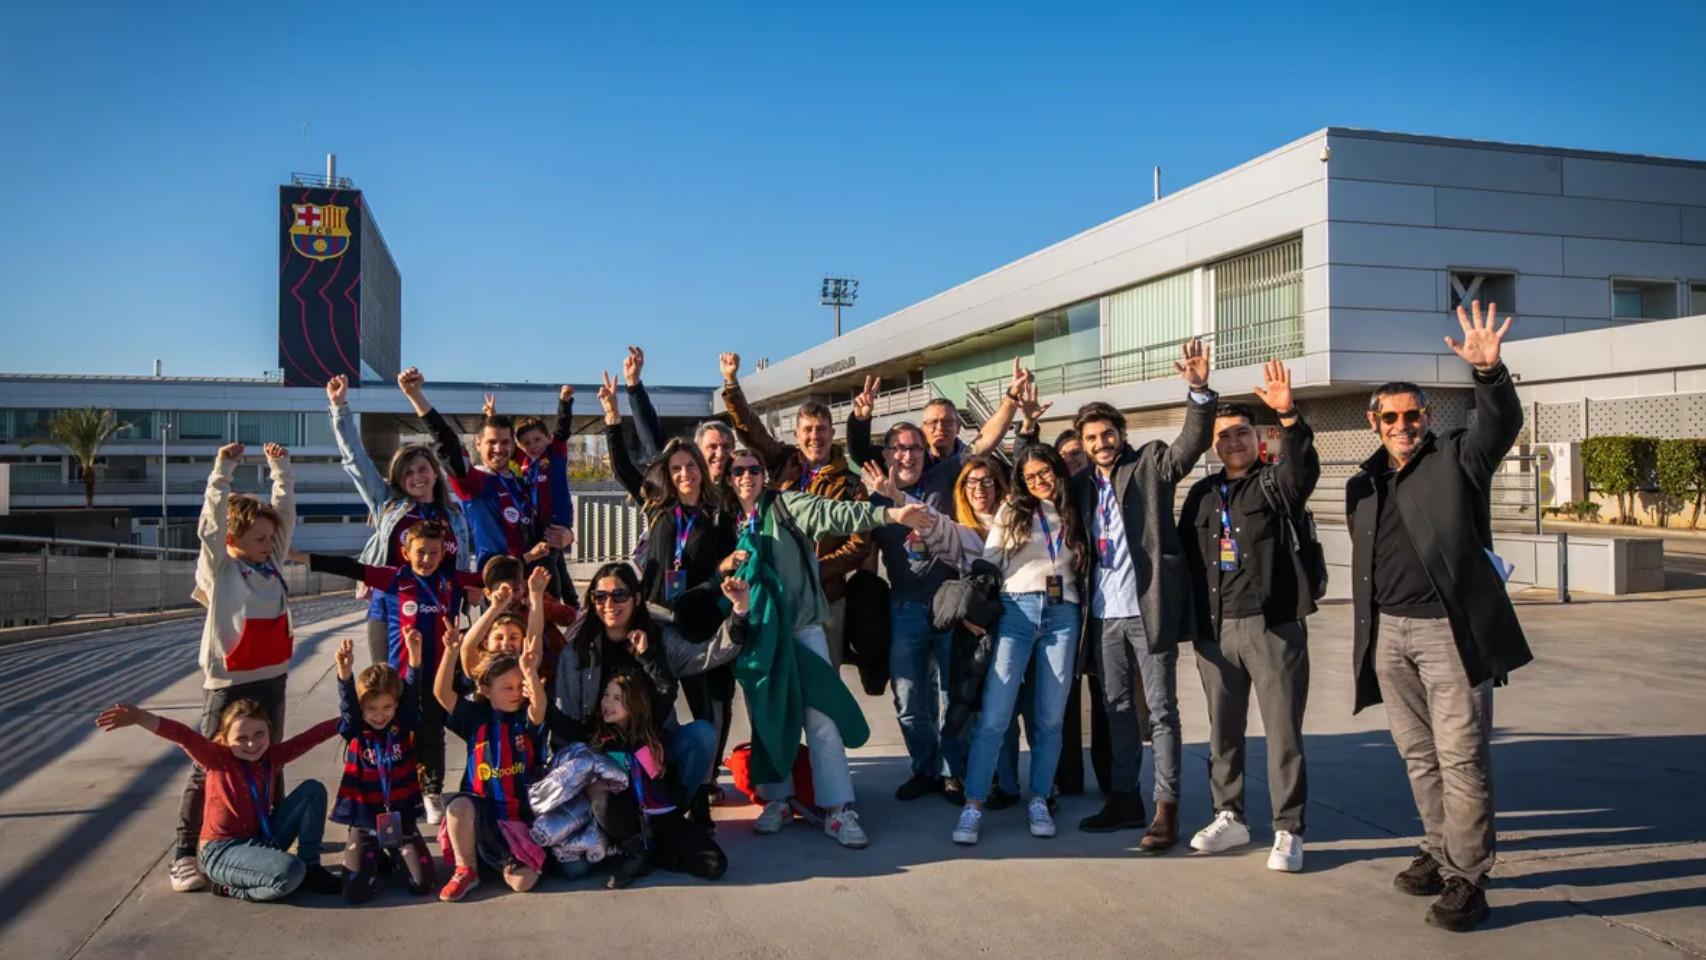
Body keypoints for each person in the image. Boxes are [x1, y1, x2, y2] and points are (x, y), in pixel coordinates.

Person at [1348, 301, 1530, 932]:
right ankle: (1438, 845)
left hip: (1449, 634)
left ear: (1427, 416)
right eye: (1391, 416)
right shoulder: (1363, 483)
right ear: (1374, 422)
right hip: (1388, 634)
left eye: (1413, 414)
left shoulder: (1458, 459)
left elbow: (1500, 426)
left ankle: (1469, 876)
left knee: (1462, 757)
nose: (1403, 424)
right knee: (1419, 756)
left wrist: (1490, 373)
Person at [725, 448, 934, 849]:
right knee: (769, 718)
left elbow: (834, 514)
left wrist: (889, 514)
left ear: (763, 475)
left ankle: (839, 810)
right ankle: (778, 800)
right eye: (738, 470)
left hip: (802, 629)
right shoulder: (728, 519)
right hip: (759, 634)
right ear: (729, 478)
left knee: (822, 718)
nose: (746, 476)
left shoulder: (785, 505)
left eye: (754, 468)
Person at [896, 446, 1087, 845]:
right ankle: (974, 804)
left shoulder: (1073, 508)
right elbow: (989, 564)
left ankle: (1039, 798)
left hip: (1062, 615)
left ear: (1056, 472)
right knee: (994, 716)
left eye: (1044, 473)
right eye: (1031, 476)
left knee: (1050, 717)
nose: (1039, 482)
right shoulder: (1012, 510)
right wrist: (976, 611)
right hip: (1017, 612)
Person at [1070, 339, 1216, 852]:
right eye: (1092, 437)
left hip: (1147, 610)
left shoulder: (1150, 464)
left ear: (1121, 435)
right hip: (1104, 614)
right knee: (1113, 710)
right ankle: (1123, 798)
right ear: (1083, 444)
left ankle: (1166, 808)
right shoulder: (1082, 486)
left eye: (1108, 433)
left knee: (1161, 712)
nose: (1102, 442)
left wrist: (1198, 391)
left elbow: (1190, 445)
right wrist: (1024, 426)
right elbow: (1032, 474)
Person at [1177, 360, 1320, 873]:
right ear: (1213, 444)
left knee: (1283, 732)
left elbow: (1303, 469)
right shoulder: (1200, 495)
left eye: (1241, 432)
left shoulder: (1275, 486)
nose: (1233, 441)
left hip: (1272, 625)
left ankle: (1289, 829)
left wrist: (1289, 418)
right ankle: (1229, 815)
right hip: (1215, 631)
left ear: (1257, 439)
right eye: (1224, 435)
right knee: (1223, 731)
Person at [170, 440, 296, 893]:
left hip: (272, 677)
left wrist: (280, 470)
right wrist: (222, 470)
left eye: (270, 538)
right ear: (232, 539)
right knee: (209, 766)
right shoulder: (220, 569)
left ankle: (270, 837)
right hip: (228, 682)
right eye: (258, 539)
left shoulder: (272, 562)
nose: (269, 544)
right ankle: (185, 853)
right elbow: (209, 527)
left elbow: (284, 516)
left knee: (270, 761)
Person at [305, 520, 484, 825]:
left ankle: (431, 791)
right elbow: (352, 569)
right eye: (420, 552)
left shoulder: (451, 580)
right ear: (405, 552)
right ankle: (390, 790)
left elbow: (488, 576)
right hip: (400, 678)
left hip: (438, 675)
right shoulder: (393, 578)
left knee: (431, 732)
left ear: (443, 554)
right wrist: (300, 557)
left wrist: (522, 564)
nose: (426, 558)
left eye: (433, 552)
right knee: (394, 732)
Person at [100, 697, 341, 902]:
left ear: (269, 731)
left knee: (313, 790)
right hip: (223, 851)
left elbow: (312, 737)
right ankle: (230, 888)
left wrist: (355, 717)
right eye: (241, 738)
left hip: (262, 837)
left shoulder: (272, 756)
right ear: (225, 739)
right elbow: (183, 735)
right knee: (289, 873)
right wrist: (140, 717)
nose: (251, 743)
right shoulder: (217, 758)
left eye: (259, 734)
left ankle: (311, 866)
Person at [720, 352, 872, 668]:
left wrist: (813, 569)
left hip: (827, 597)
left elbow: (859, 546)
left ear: (832, 433)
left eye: (821, 429)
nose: (814, 436)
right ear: (797, 435)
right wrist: (732, 384)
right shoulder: (783, 464)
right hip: (776, 595)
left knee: (825, 686)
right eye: (808, 430)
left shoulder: (851, 484)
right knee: (778, 678)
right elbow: (751, 429)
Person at [550, 563, 750, 801]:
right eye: (600, 597)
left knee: (702, 736)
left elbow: (708, 654)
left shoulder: (659, 638)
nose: (609, 605)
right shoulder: (578, 649)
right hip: (600, 751)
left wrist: (739, 612)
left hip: (651, 747)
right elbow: (567, 716)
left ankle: (671, 810)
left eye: (619, 595)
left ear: (636, 598)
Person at [327, 373, 474, 668]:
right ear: (399, 479)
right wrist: (340, 408)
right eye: (408, 473)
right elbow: (356, 461)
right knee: (389, 684)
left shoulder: (454, 517)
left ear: (435, 473)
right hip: (391, 609)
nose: (417, 477)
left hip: (442, 610)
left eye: (422, 469)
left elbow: (461, 566)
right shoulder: (388, 503)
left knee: (441, 687)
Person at [861, 420, 971, 805]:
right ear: (887, 454)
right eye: (899, 448)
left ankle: (952, 772)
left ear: (927, 454)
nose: (907, 455)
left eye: (915, 448)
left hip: (946, 602)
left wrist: (1010, 403)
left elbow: (987, 442)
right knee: (908, 699)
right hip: (904, 607)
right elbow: (867, 555)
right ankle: (924, 769)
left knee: (949, 696)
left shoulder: (943, 477)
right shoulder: (876, 497)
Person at [398, 367, 570, 573]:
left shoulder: (520, 481)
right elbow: (447, 441)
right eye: (492, 442)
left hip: (540, 584)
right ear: (478, 444)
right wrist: (416, 396)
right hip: (501, 587)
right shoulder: (474, 482)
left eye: (505, 442)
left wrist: (568, 534)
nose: (499, 449)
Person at [432, 624, 550, 902]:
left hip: (516, 819)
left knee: (523, 883)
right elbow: (442, 694)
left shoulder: (526, 720)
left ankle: (499, 862)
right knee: (458, 806)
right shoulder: (475, 717)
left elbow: (539, 707)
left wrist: (531, 671)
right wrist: (450, 652)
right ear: (486, 689)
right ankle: (467, 868)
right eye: (506, 687)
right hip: (481, 812)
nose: (515, 693)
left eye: (519, 687)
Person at [587, 671, 733, 889]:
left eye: (617, 698)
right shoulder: (599, 739)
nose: (607, 703)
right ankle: (637, 853)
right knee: (602, 800)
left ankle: (655, 854)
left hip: (657, 818)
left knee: (715, 864)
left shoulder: (650, 738)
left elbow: (665, 688)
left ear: (634, 704)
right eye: (606, 696)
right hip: (624, 822)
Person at [331, 636, 435, 902]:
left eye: (387, 707)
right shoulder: (356, 728)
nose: (379, 715)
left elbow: (412, 693)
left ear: (396, 705)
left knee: (423, 883)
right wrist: (344, 675)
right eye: (371, 708)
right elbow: (348, 707)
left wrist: (414, 658)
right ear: (361, 708)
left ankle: (392, 854)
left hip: (400, 819)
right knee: (355, 892)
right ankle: (375, 855)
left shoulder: (402, 725)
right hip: (366, 821)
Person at [844, 360, 1027, 503]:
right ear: (923, 429)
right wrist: (860, 419)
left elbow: (984, 441)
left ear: (959, 427)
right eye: (932, 422)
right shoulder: (906, 458)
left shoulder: (967, 461)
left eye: (947, 422)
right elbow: (860, 452)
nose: (940, 428)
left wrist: (1011, 398)